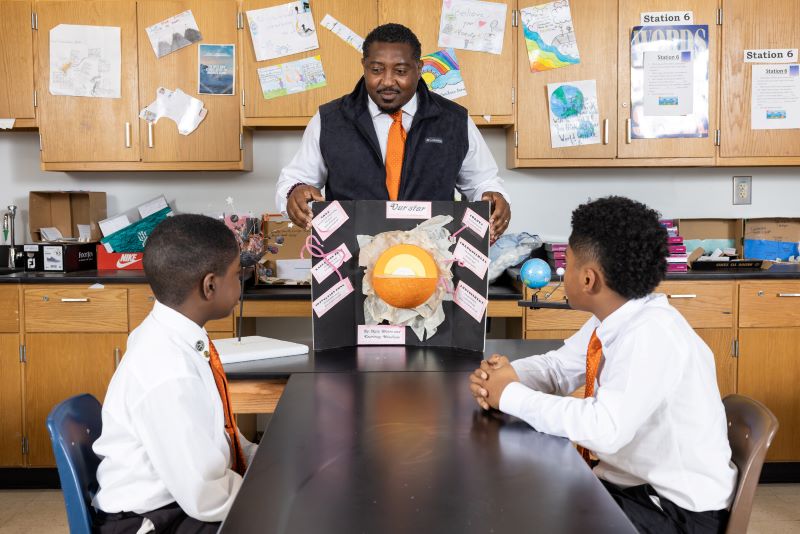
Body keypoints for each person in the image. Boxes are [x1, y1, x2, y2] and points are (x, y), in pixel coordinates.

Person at [469, 196, 737, 534]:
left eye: (567, 264)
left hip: (675, 511)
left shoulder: (652, 333)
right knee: (521, 494)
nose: (561, 272)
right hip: (632, 487)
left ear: (588, 280)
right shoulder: (616, 317)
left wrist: (509, 395)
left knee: (527, 512)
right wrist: (507, 377)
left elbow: (604, 429)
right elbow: (559, 368)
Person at [92, 214, 256, 533]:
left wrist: (265, 460)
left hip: (181, 501)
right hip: (154, 519)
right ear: (210, 286)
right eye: (238, 274)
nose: (242, 282)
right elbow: (206, 498)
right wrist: (273, 491)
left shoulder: (173, 335)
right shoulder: (169, 370)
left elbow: (217, 436)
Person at [275, 23, 511, 243]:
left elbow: (483, 182)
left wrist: (494, 197)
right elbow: (295, 180)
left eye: (400, 70)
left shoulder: (454, 120)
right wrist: (295, 193)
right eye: (376, 69)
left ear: (419, 69)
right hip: (351, 263)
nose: (387, 81)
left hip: (433, 263)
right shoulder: (330, 120)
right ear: (364, 66)